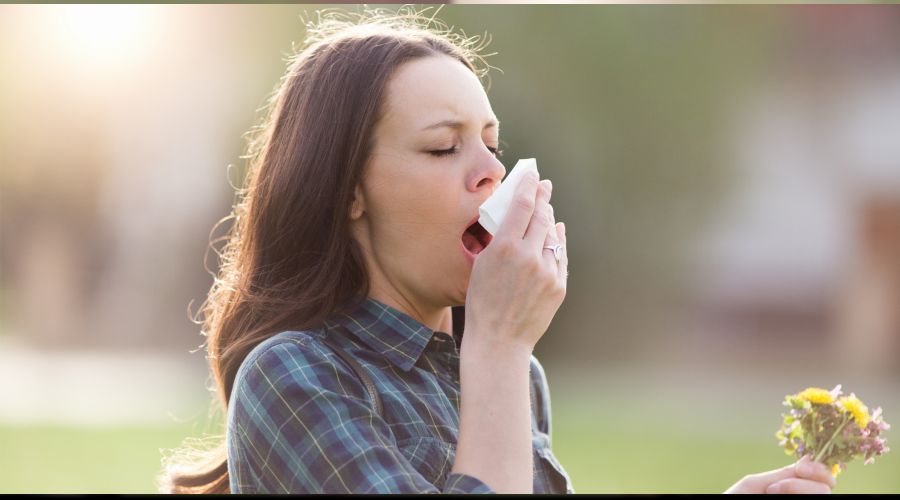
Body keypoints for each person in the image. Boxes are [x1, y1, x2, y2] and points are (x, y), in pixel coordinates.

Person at [159, 9, 837, 494]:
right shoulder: (294, 377)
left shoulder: (511, 377)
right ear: (349, 192)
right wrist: (501, 348)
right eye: (442, 146)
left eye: (492, 144)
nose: (491, 171)